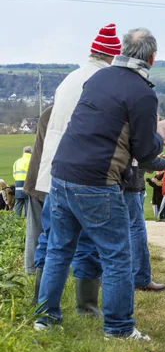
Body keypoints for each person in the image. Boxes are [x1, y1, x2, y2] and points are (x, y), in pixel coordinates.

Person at [34, 27, 165, 341]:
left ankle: (44, 319)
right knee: (117, 255)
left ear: (122, 51)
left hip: (61, 174)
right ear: (152, 58)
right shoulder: (142, 92)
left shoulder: (97, 79)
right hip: (97, 182)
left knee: (59, 249)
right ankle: (118, 328)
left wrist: (160, 154)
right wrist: (161, 138)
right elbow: (143, 152)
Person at [33, 23, 123, 315]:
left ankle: (43, 304)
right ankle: (86, 306)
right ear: (112, 56)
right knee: (87, 242)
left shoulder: (70, 78)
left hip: (53, 173)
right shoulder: (103, 83)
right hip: (85, 174)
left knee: (53, 241)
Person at [124, 161, 165, 291]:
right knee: (136, 229)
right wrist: (163, 163)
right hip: (129, 184)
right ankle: (140, 278)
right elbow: (143, 155)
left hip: (104, 182)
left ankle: (100, 276)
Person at [22, 106, 52, 275]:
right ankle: (34, 269)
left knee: (36, 228)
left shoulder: (48, 112)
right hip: (45, 180)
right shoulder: (57, 115)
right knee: (41, 230)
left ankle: (33, 269)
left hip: (37, 179)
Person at [13, 146, 32, 217]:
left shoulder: (17, 162)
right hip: (28, 185)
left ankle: (14, 220)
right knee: (28, 204)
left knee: (18, 204)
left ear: (23, 152)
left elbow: (14, 174)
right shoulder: (32, 161)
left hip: (18, 184)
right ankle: (26, 222)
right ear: (31, 152)